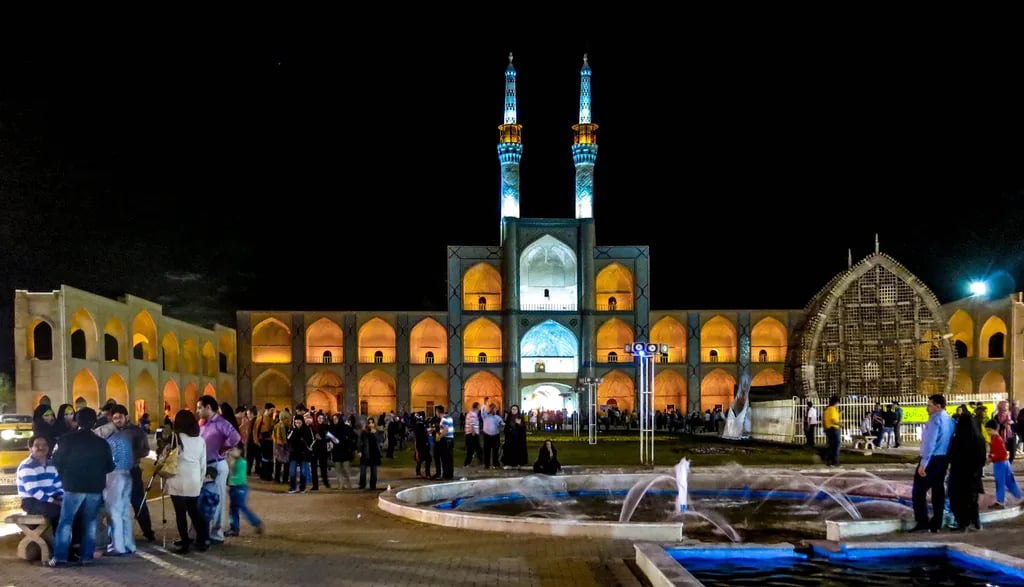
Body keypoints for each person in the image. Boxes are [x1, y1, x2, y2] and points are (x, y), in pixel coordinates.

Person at [49, 407, 114, 568]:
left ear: (76, 421)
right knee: (90, 522)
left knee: (66, 522)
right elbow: (110, 466)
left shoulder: (66, 440)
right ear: (94, 422)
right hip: (94, 487)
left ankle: (60, 557)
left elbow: (56, 460)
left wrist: (66, 474)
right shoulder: (101, 443)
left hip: (73, 486)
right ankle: (86, 557)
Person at [163, 409, 209, 555]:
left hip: (177, 478)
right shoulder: (200, 440)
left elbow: (165, 457)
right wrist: (200, 480)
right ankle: (202, 539)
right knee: (194, 511)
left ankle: (185, 541)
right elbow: (203, 463)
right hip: (194, 479)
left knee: (180, 512)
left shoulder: (175, 438)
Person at [196, 395, 241, 544]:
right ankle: (203, 532)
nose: (197, 411)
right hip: (203, 466)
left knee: (216, 501)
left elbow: (235, 437)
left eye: (199, 407)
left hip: (216, 465)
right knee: (203, 500)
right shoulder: (203, 423)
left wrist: (224, 447)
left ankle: (216, 534)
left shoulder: (221, 423)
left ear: (208, 407)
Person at [909, 393, 954, 533]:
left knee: (918, 491)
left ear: (938, 406)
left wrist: (923, 463)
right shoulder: (950, 420)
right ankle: (937, 522)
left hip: (932, 459)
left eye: (929, 405)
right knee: (938, 490)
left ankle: (922, 521)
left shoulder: (935, 420)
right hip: (943, 459)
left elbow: (930, 443)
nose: (927, 408)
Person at [111, 403, 156, 543]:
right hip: (115, 473)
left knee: (138, 502)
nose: (118, 420)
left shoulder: (136, 431)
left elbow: (145, 451)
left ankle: (148, 531)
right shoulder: (110, 432)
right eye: (115, 418)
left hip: (132, 471)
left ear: (126, 417)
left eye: (120, 417)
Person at [947, 405, 985, 531]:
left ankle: (963, 523)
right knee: (972, 500)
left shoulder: (957, 439)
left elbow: (951, 456)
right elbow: (982, 457)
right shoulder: (979, 438)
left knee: (958, 499)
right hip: (974, 474)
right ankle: (976, 522)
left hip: (959, 474)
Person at [16, 435, 63, 528]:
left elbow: (59, 485)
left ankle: (72, 542)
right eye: (37, 445)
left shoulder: (51, 465)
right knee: (59, 511)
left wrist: (63, 498)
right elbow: (34, 492)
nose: (41, 447)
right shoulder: (27, 466)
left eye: (44, 445)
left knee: (72, 509)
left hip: (49, 500)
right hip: (32, 501)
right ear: (30, 448)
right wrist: (55, 502)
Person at [225, 443, 263, 536]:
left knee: (241, 508)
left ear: (240, 451)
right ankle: (234, 529)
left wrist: (228, 481)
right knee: (234, 509)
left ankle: (256, 522)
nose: (231, 451)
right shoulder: (234, 461)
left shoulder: (241, 462)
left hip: (239, 488)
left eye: (233, 449)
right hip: (236, 488)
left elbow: (239, 478)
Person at [986, 419, 1022, 510]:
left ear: (994, 429)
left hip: (1000, 464)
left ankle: (1000, 502)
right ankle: (1020, 497)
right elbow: (997, 452)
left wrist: (991, 458)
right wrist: (991, 456)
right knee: (1010, 482)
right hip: (1005, 463)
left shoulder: (997, 439)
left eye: (989, 430)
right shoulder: (996, 438)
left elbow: (1001, 453)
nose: (988, 432)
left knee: (1000, 483)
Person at [286, 412, 314, 494]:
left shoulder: (307, 430)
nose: (298, 424)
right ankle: (292, 487)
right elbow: (288, 439)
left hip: (303, 453)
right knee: (292, 471)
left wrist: (307, 447)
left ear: (302, 422)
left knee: (303, 471)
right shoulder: (292, 430)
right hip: (294, 453)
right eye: (296, 423)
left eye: (299, 423)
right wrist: (293, 430)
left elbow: (311, 440)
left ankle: (302, 487)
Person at [358, 419, 383, 490]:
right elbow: (360, 442)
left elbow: (381, 440)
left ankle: (373, 485)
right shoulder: (364, 432)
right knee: (363, 471)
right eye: (369, 423)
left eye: (372, 423)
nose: (371, 424)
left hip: (374, 454)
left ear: (374, 424)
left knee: (374, 471)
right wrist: (359, 451)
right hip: (365, 453)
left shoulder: (377, 432)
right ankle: (362, 484)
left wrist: (375, 433)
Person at [822, 396, 841, 467]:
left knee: (831, 445)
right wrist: (840, 424)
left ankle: (829, 460)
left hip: (829, 429)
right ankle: (834, 461)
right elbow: (833, 420)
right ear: (836, 402)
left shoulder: (827, 410)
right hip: (834, 429)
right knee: (836, 445)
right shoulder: (832, 409)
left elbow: (825, 420)